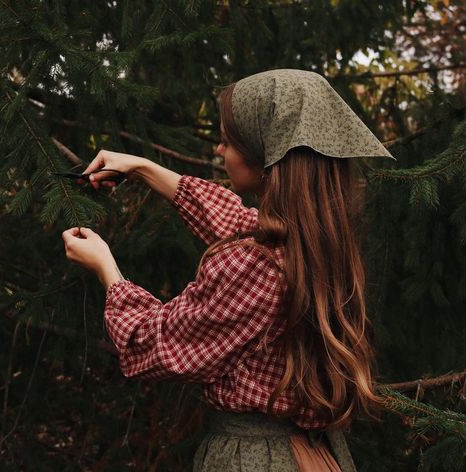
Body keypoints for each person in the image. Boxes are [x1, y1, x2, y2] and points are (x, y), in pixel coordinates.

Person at [62, 69, 396, 471]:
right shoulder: (320, 241)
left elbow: (154, 345)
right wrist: (142, 168)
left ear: (267, 159)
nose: (220, 151)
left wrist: (106, 268)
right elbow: (237, 221)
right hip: (315, 454)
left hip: (257, 459)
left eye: (228, 141)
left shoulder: (256, 265)